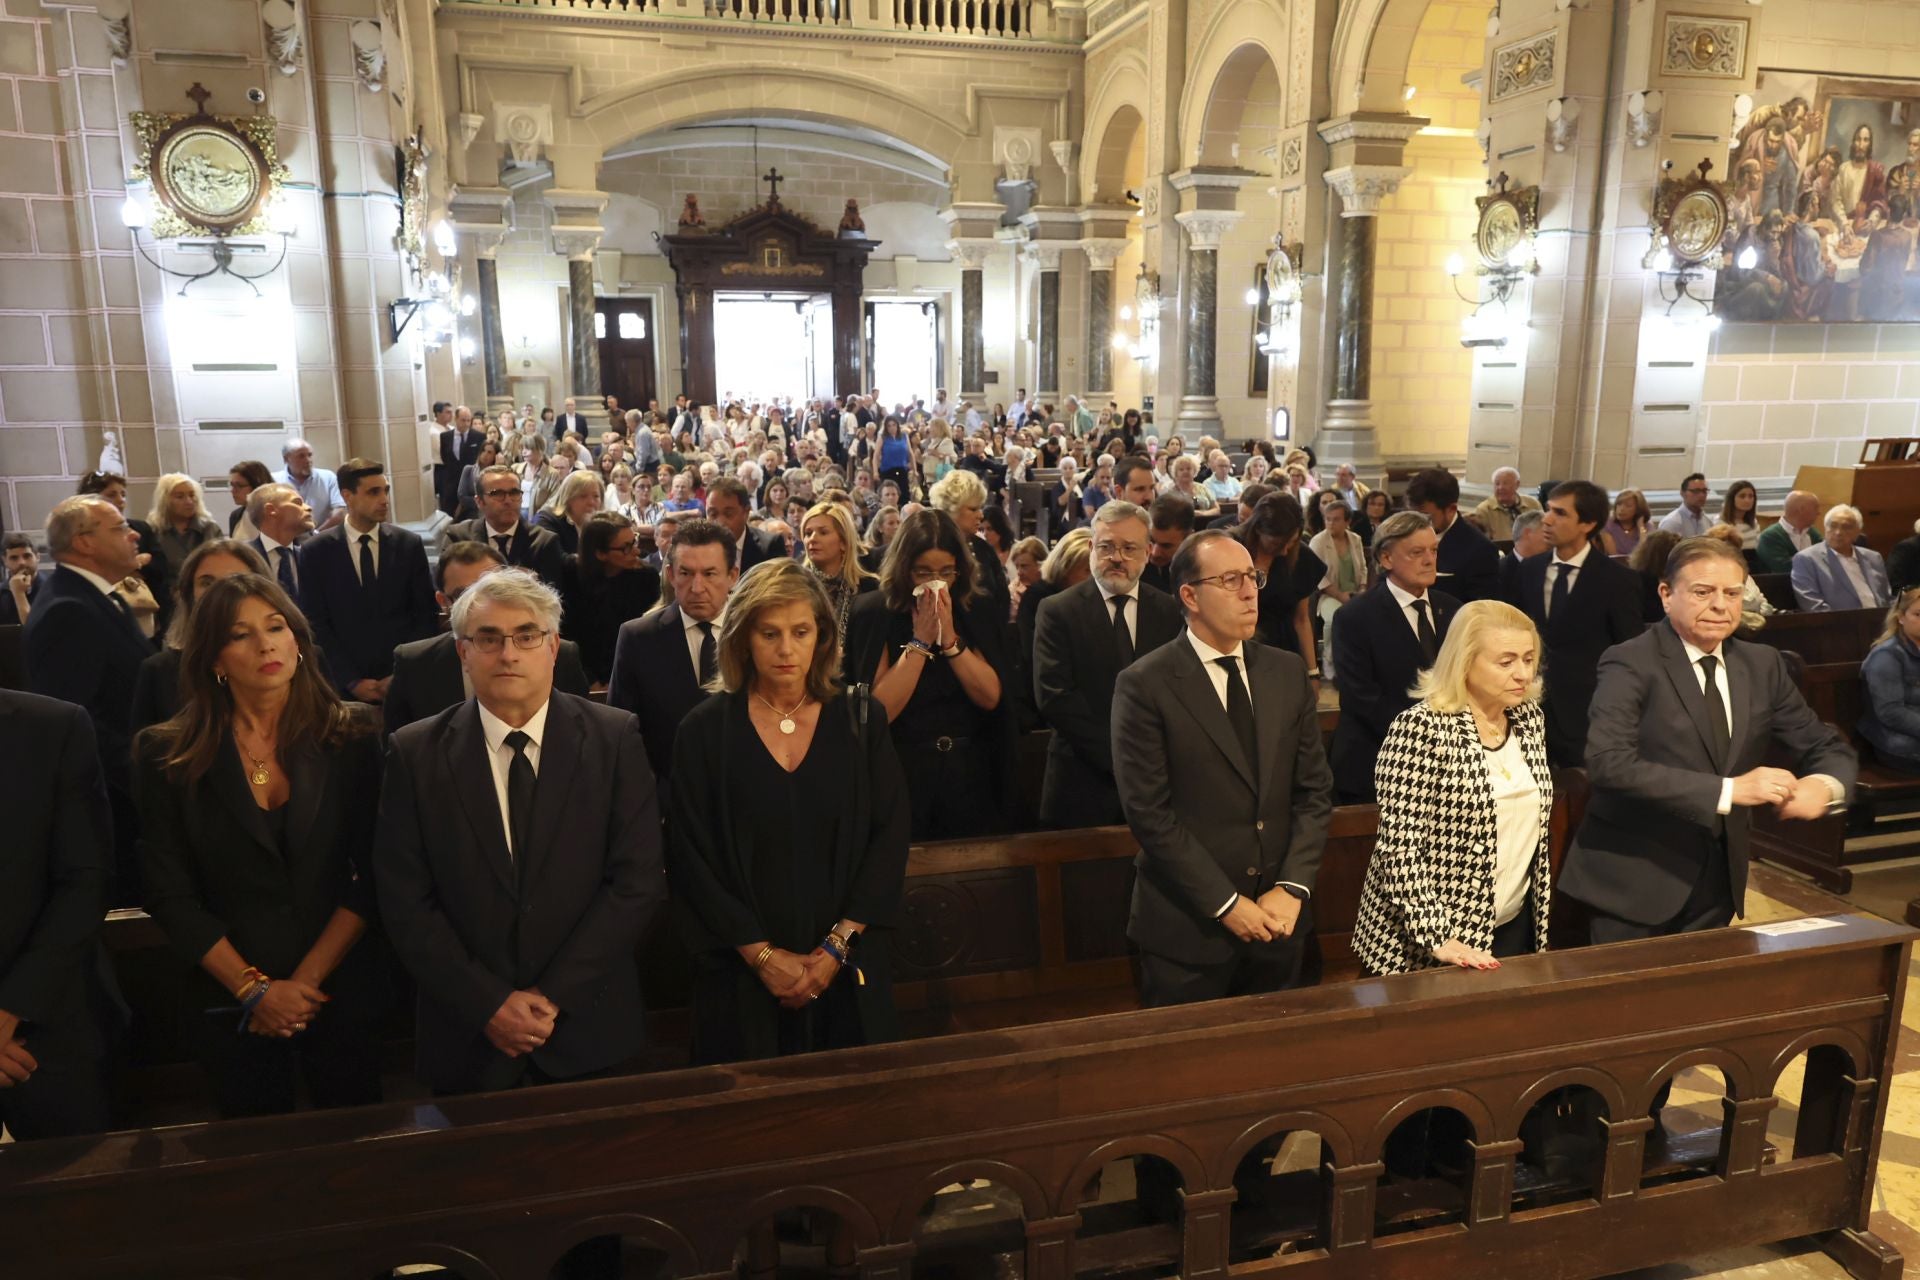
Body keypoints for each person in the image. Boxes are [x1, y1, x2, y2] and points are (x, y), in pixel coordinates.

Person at [374, 569, 665, 1095]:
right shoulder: (415, 752)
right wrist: (489, 1004)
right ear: (463, 653)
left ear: (553, 647)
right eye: (488, 638)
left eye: (526, 635)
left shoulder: (613, 736)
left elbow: (636, 883)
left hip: (588, 1025)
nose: (508, 653)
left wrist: (551, 998)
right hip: (467, 1034)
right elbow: (405, 900)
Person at [134, 575, 385, 1117]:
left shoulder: (354, 736)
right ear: (215, 660)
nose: (266, 644)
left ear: (298, 639)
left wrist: (305, 982)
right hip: (226, 994)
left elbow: (373, 871)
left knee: (358, 1150)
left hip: (339, 986)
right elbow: (168, 892)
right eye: (241, 634)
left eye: (276, 627)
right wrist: (254, 990)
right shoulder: (166, 755)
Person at [667, 562, 910, 1064]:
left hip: (847, 967)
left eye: (801, 632)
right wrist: (761, 956)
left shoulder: (861, 719)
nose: (785, 649)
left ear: (822, 636)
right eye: (769, 633)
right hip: (739, 973)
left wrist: (836, 949)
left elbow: (889, 837)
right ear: (741, 638)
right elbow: (691, 856)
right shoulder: (703, 730)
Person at [1560, 537, 1856, 949]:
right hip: (1634, 882)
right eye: (1703, 592)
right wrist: (1731, 790)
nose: (1720, 605)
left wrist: (1824, 786)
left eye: (1732, 593)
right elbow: (1610, 764)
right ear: (1666, 594)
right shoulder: (1630, 661)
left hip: (1718, 880)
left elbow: (1827, 746)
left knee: (1701, 1006)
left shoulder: (1762, 665)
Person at [1111, 529, 1333, 1006]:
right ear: (1189, 595)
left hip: (1280, 922)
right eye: (1230, 580)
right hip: (1189, 931)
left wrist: (1292, 887)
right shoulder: (1144, 684)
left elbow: (1314, 793)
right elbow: (1150, 814)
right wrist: (1226, 904)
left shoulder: (1286, 671)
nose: (1250, 591)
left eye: (1253, 577)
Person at [1353, 600, 1553, 975]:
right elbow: (1400, 848)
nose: (1522, 673)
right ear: (1465, 661)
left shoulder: (1529, 718)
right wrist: (1439, 936)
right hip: (1426, 941)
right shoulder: (1422, 728)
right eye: (1506, 661)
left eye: (1528, 659)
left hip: (1512, 923)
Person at [845, 509, 1015, 841]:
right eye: (923, 572)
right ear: (904, 568)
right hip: (902, 770)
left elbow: (991, 697)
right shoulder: (875, 612)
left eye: (945, 572)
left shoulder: (975, 608)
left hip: (969, 771)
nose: (935, 582)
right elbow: (880, 711)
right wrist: (920, 641)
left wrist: (949, 640)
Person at [0, 689, 124, 1140]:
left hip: (47, 1020)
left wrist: (12, 1009)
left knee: (80, 1203)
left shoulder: (53, 726)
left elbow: (87, 880)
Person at [24, 496, 156, 899]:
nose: (133, 534)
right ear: (84, 542)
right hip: (113, 803)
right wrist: (144, 775)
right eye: (119, 527)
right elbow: (77, 721)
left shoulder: (97, 596)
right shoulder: (69, 609)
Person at [1033, 501, 1182, 828]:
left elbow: (1179, 689)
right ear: (1090, 548)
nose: (1117, 557)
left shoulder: (1169, 612)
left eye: (1129, 548)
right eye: (1107, 547)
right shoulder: (1057, 611)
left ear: (1147, 552)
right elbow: (1054, 696)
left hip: (1155, 784)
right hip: (1079, 780)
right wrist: (1121, 759)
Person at [384, 543, 590, 735]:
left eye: (493, 588)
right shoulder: (414, 663)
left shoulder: (563, 655)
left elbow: (581, 730)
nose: (481, 602)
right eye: (464, 594)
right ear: (443, 602)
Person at [1329, 512, 1458, 804]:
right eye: (1416, 552)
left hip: (1447, 769)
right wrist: (1428, 741)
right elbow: (1361, 698)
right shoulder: (1354, 617)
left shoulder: (1453, 610)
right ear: (1386, 559)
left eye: (1433, 550)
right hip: (1379, 764)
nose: (1429, 559)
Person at [1514, 481, 1645, 767]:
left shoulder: (1617, 580)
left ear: (1588, 523)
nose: (1546, 519)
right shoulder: (1528, 569)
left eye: (1560, 513)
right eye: (1548, 510)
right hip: (1527, 711)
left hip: (1587, 716)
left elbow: (1630, 652)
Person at [607, 519, 740, 783]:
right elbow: (622, 732)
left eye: (710, 574)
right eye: (686, 573)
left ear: (732, 576)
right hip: (667, 803)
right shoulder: (638, 638)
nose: (697, 587)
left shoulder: (755, 634)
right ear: (670, 575)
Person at [297, 459, 437, 704]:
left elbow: (424, 615)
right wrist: (350, 680)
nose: (384, 499)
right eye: (374, 492)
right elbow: (314, 622)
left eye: (386, 490)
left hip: (403, 681)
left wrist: (401, 673)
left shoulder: (408, 545)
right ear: (347, 496)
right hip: (343, 688)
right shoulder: (316, 551)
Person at [131, 539, 270, 735]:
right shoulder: (159, 671)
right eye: (206, 582)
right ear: (189, 594)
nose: (219, 591)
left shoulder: (297, 658)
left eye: (236, 580)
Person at [560, 513, 661, 689]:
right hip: (580, 675)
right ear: (600, 553)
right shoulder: (571, 574)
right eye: (626, 547)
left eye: (634, 541)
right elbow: (567, 633)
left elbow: (649, 637)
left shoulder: (646, 578)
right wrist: (589, 680)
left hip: (632, 673)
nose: (637, 551)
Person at [1236, 492, 1323, 671]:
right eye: (1276, 544)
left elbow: (1302, 620)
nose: (1284, 552)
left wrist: (1312, 671)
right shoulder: (1232, 550)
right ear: (1258, 529)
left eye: (1291, 542)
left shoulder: (1301, 557)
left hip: (1285, 650)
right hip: (1241, 648)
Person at [441, 465, 568, 587]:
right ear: (479, 501)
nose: (508, 500)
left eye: (514, 493)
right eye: (497, 494)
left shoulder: (543, 542)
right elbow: (446, 589)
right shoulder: (458, 538)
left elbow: (555, 598)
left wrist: (534, 584)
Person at [1405, 469, 1499, 604]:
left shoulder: (1480, 550)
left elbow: (1480, 611)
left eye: (1425, 517)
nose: (1414, 523)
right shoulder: (1400, 537)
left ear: (1451, 510)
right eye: (1411, 514)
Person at [1860, 588, 1920, 772]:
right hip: (1898, 741)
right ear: (1900, 617)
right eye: (1918, 614)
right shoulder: (1887, 655)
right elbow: (1891, 713)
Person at [1307, 497, 1368, 680]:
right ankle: (1329, 660)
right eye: (1328, 519)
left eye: (1336, 519)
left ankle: (1358, 663)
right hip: (1329, 594)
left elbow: (1363, 567)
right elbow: (1318, 577)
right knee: (1334, 618)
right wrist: (1341, 596)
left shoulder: (1355, 539)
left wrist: (1363, 590)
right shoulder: (1318, 541)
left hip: (1356, 593)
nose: (1331, 523)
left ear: (1347, 521)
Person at [800, 500, 876, 643]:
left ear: (843, 542)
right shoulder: (795, 585)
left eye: (823, 532)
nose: (812, 539)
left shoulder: (869, 587)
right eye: (808, 533)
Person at [1791, 504, 1891, 612]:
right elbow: (1813, 606)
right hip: (1841, 624)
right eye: (1833, 526)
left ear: (1858, 533)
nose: (1838, 533)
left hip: (1882, 621)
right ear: (1825, 528)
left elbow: (1887, 597)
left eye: (1846, 527)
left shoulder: (1873, 557)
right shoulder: (1807, 559)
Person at [147, 474, 224, 589]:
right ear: (165, 500)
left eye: (192, 495)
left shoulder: (210, 529)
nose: (189, 501)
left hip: (207, 596)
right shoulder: (153, 531)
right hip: (166, 599)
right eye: (180, 497)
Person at [704, 476, 784, 572]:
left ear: (746, 512)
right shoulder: (696, 548)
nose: (720, 522)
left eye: (728, 514)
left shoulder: (769, 547)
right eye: (713, 514)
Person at [246, 482, 313, 596]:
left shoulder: (310, 557)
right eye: (297, 502)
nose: (308, 508)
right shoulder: (244, 557)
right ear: (271, 510)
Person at [273, 438, 345, 530]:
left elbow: (340, 511)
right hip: (285, 539)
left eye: (310, 455)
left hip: (322, 536)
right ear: (286, 458)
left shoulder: (328, 478)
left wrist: (317, 534)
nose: (308, 460)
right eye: (301, 456)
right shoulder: (274, 480)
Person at [534, 471, 604, 558]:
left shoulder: (601, 525)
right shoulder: (546, 520)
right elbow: (556, 561)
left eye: (596, 496)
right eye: (583, 496)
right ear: (567, 498)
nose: (591, 502)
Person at [1756, 489, 1823, 575]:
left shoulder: (1813, 533)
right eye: (1816, 507)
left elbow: (1826, 559)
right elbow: (1784, 568)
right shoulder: (1770, 537)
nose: (1819, 512)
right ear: (1801, 509)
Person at [1470, 467, 1542, 543]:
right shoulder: (1484, 510)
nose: (1501, 487)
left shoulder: (1533, 504)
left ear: (1517, 484)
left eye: (1505, 483)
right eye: (1497, 484)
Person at [1143, 493, 1195, 595]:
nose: (1154, 553)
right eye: (1151, 540)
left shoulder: (1200, 570)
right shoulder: (1133, 564)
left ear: (1189, 539)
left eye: (1166, 546)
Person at [1, 532, 49, 626]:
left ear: (37, 557)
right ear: (4, 561)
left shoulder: (54, 589)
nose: (21, 563)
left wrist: (19, 594)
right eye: (14, 558)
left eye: (27, 556)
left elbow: (39, 631)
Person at [1658, 473, 1715, 539]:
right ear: (1682, 493)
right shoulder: (1671, 523)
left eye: (1704, 491)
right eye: (1696, 491)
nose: (1702, 495)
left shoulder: (1708, 521)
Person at [226, 461, 273, 538]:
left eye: (239, 486)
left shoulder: (277, 514)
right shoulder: (236, 516)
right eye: (232, 485)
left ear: (257, 486)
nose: (233, 491)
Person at [1603, 488, 1651, 558]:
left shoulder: (1647, 526)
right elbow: (1614, 557)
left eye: (1628, 506)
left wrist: (1641, 527)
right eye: (1619, 504)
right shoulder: (1608, 524)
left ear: (1638, 509)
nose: (1621, 509)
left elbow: (1645, 554)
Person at [1719, 480, 1761, 552]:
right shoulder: (1721, 524)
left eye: (1751, 496)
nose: (1747, 500)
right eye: (1742, 496)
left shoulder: (1754, 522)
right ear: (1732, 499)